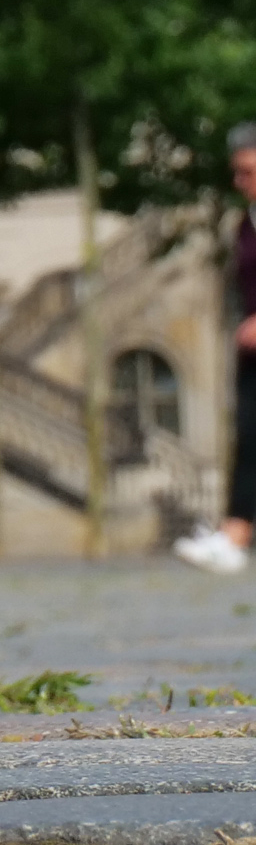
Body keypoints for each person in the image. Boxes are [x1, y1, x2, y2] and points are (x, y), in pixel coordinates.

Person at [174, 126, 256, 570]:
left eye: (247, 171)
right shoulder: (246, 223)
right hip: (252, 356)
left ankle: (235, 534)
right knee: (249, 438)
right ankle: (234, 535)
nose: (239, 181)